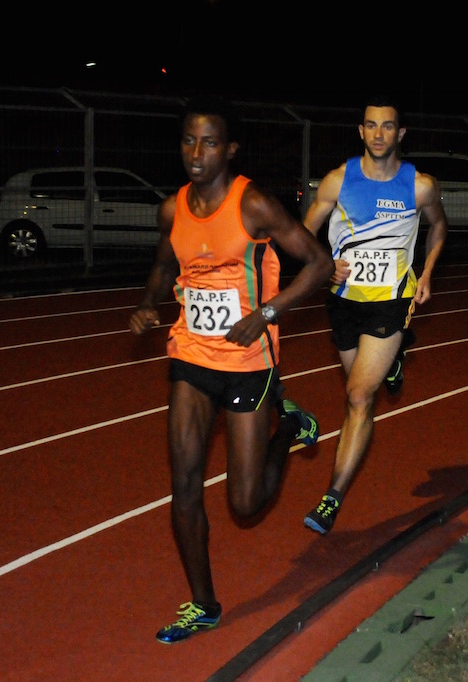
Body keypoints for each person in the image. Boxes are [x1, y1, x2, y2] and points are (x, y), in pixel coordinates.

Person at [129, 94, 334, 644]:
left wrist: (266, 313)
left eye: (210, 142)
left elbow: (320, 264)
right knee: (185, 486)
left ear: (231, 149)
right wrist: (150, 303)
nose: (197, 153)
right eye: (189, 141)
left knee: (245, 503)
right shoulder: (172, 209)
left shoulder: (255, 205)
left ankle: (288, 425)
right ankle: (204, 604)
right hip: (191, 358)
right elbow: (162, 263)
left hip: (248, 361)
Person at [301, 95, 449, 534]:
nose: (379, 134)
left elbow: (440, 227)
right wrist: (326, 264)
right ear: (361, 131)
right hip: (344, 300)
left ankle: (332, 497)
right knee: (356, 390)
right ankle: (394, 361)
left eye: (388, 127)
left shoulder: (419, 185)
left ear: (400, 134)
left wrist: (427, 273)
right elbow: (301, 234)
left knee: (359, 397)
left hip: (391, 299)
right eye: (371, 126)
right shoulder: (336, 181)